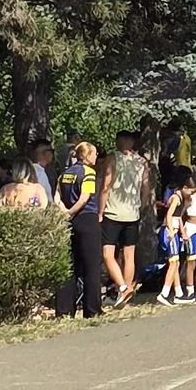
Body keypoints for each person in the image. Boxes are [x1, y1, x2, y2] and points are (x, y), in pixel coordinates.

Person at [100, 130, 152, 309]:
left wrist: (100, 211)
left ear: (120, 141)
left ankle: (122, 286)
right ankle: (126, 293)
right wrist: (141, 206)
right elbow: (146, 188)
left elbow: (106, 186)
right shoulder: (141, 162)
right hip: (132, 213)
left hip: (113, 212)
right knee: (129, 255)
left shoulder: (112, 158)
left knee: (107, 253)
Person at [56, 139, 104, 319]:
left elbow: (57, 196)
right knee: (91, 266)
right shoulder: (88, 173)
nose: (97, 156)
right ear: (87, 155)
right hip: (86, 219)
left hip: (68, 222)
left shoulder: (65, 174)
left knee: (70, 266)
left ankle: (64, 310)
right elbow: (85, 197)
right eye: (95, 153)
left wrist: (65, 212)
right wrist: (72, 211)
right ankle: (92, 310)